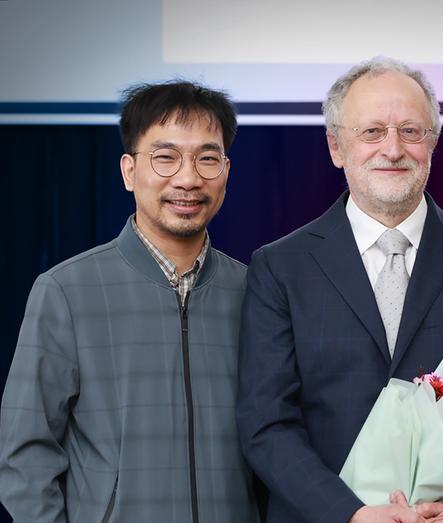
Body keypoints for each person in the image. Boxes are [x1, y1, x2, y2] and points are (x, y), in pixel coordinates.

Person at [236, 57, 443, 523]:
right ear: (336, 147)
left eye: (411, 132)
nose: (393, 149)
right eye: (372, 131)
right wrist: (350, 514)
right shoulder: (280, 267)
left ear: (433, 143)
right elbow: (266, 423)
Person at [0, 81, 260, 522]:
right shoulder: (66, 290)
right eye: (165, 157)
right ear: (128, 170)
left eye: (207, 158)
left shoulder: (255, 293)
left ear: (226, 171)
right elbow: (25, 453)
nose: (188, 178)